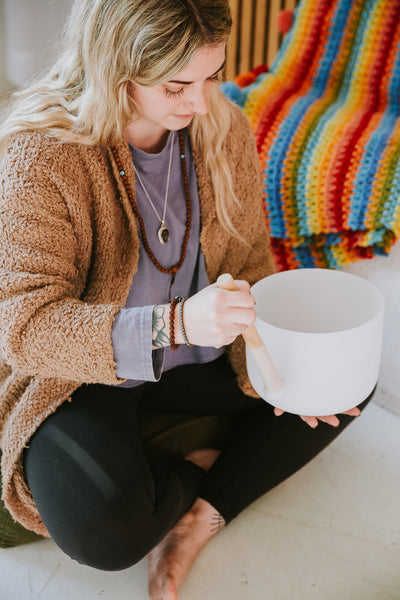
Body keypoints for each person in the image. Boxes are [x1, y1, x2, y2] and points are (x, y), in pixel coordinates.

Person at [0, 1, 370, 598]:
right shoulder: (41, 155)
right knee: (107, 539)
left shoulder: (222, 130)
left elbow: (250, 266)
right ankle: (204, 459)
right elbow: (24, 327)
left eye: (212, 76)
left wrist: (274, 372)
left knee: (345, 377)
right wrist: (172, 325)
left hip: (202, 356)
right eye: (176, 85)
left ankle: (201, 516)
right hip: (88, 375)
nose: (200, 103)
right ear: (115, 69)